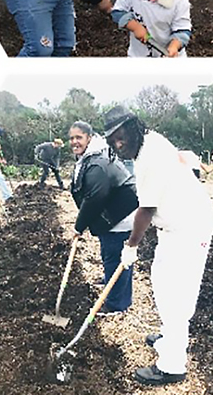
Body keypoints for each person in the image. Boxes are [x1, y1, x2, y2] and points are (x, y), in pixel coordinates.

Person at [103, 105, 213, 385]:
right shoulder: (149, 141)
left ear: (133, 128)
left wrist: (130, 246)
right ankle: (168, 339)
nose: (119, 144)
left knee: (176, 297)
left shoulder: (150, 156)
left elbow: (146, 210)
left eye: (121, 136)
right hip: (175, 226)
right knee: (162, 282)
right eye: (113, 140)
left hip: (189, 227)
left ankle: (171, 365)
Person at [69, 121, 138, 313]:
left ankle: (117, 304)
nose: (74, 142)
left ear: (89, 138)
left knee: (116, 258)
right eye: (72, 138)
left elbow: (95, 197)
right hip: (112, 216)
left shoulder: (97, 161)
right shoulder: (91, 156)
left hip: (119, 217)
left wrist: (79, 227)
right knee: (110, 254)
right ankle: (111, 280)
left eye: (79, 137)